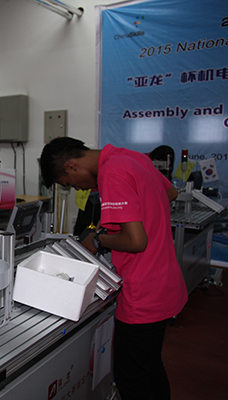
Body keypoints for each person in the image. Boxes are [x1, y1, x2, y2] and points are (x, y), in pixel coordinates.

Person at [39, 137, 187, 400]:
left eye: (70, 184)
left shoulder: (111, 173)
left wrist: (99, 240)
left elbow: (136, 241)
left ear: (71, 166)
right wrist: (126, 221)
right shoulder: (131, 157)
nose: (77, 188)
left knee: (132, 379)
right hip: (165, 282)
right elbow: (170, 194)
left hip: (142, 294)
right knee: (151, 367)